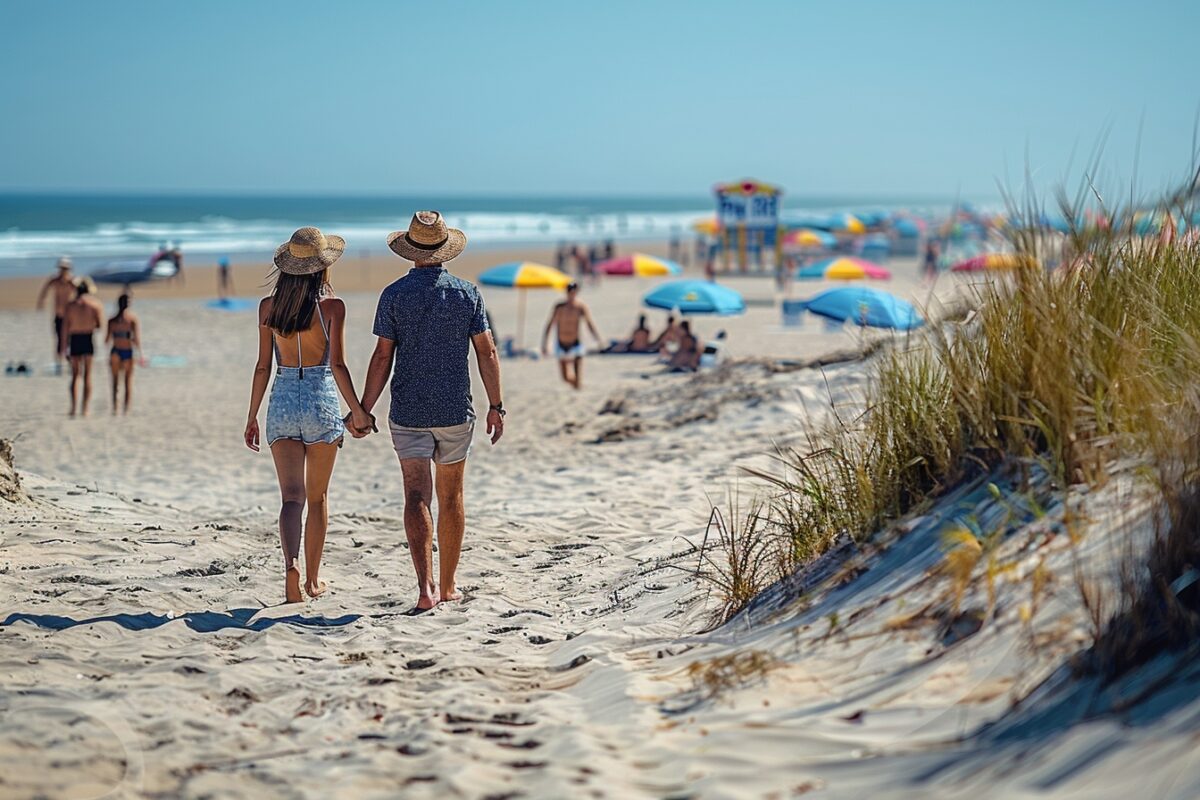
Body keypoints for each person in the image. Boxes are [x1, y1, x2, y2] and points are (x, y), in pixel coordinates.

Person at [359, 211, 505, 612]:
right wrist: (496, 406)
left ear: (410, 251)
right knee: (451, 495)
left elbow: (381, 357)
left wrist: (363, 409)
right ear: (445, 251)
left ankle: (424, 589)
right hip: (455, 407)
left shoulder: (393, 295)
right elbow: (487, 352)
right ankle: (448, 584)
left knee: (416, 495)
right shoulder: (466, 293)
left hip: (408, 409)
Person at [244, 227, 373, 604]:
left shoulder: (269, 308)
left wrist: (252, 415)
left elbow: (262, 367)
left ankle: (291, 565)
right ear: (322, 269)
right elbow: (338, 365)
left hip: (282, 399)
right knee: (317, 499)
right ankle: (313, 580)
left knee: (291, 499)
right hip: (319, 401)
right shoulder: (332, 308)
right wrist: (359, 411)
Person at [542, 282, 603, 389]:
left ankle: (579, 387)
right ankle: (576, 385)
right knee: (565, 378)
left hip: (575, 342)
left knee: (578, 373)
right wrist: (544, 343)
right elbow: (550, 324)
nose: (571, 294)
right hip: (561, 343)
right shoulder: (559, 307)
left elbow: (589, 323)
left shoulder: (580, 307)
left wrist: (597, 339)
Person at [62, 278, 104, 417]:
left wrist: (64, 346)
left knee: (75, 376)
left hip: (74, 338)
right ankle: (85, 408)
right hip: (87, 338)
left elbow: (65, 329)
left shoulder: (70, 306)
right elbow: (99, 325)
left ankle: (73, 407)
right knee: (87, 376)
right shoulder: (94, 304)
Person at [35, 257, 76, 371]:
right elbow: (45, 290)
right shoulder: (54, 280)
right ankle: (59, 363)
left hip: (70, 316)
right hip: (58, 315)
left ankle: (70, 363)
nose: (63, 270)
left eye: (65, 268)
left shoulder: (72, 281)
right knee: (59, 339)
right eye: (61, 268)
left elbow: (80, 292)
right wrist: (41, 302)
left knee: (69, 340)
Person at [105, 293, 141, 414]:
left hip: (115, 350)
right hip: (127, 351)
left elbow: (106, 339)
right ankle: (126, 408)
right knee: (127, 381)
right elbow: (136, 340)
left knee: (115, 381)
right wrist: (140, 354)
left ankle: (115, 407)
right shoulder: (131, 319)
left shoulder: (112, 320)